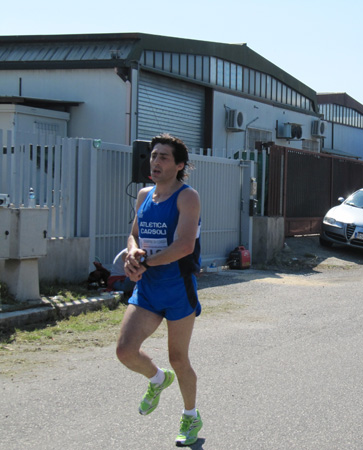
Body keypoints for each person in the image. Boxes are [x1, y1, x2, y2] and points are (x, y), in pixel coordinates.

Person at [115, 133, 203, 447]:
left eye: (164, 157)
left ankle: (191, 417)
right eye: (154, 156)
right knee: (125, 351)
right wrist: (131, 255)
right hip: (148, 290)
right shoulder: (143, 196)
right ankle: (156, 378)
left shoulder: (186, 197)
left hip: (178, 289)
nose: (156, 162)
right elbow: (134, 235)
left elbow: (184, 245)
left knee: (179, 359)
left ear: (179, 165)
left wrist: (146, 263)